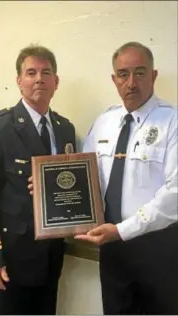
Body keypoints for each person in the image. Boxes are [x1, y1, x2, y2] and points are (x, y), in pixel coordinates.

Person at [75, 42, 178, 315]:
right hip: (113, 250)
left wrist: (123, 230)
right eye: (123, 74)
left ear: (153, 76)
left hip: (159, 248)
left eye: (140, 73)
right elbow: (83, 177)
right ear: (114, 79)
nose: (131, 83)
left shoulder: (172, 122)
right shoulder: (104, 123)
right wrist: (51, 195)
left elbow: (175, 194)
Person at [0, 44, 76, 315]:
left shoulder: (65, 129)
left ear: (56, 81)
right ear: (19, 81)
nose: (39, 78)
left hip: (52, 253)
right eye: (31, 72)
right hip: (12, 258)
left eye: (46, 72)